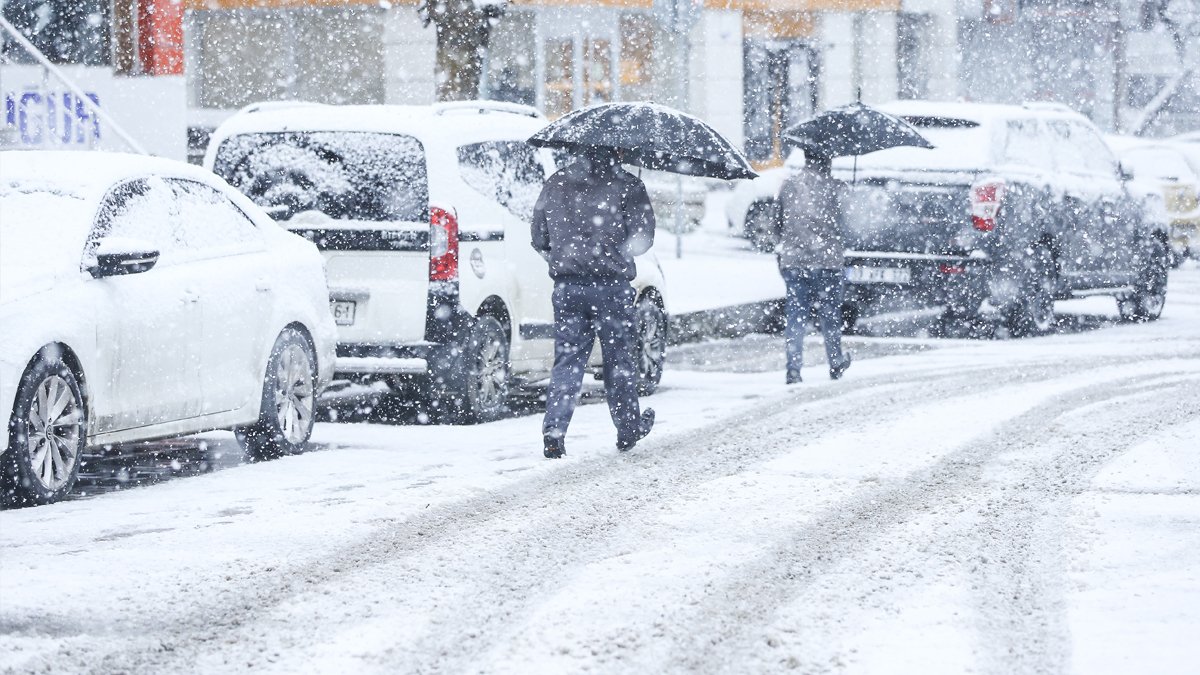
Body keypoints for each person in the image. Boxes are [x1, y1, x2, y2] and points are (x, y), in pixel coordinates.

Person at [531, 147, 657, 459]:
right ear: (616, 150)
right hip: (611, 288)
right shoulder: (628, 185)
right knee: (618, 361)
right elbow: (643, 240)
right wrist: (618, 244)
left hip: (568, 287)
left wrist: (565, 254)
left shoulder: (556, 182)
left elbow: (538, 236)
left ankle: (554, 431)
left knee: (568, 362)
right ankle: (628, 429)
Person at [774, 148, 852, 384]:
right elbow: (848, 225)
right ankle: (835, 362)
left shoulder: (789, 186)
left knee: (796, 316)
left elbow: (776, 222)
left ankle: (794, 369)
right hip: (828, 262)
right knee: (830, 316)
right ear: (828, 162)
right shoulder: (837, 188)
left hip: (794, 260)